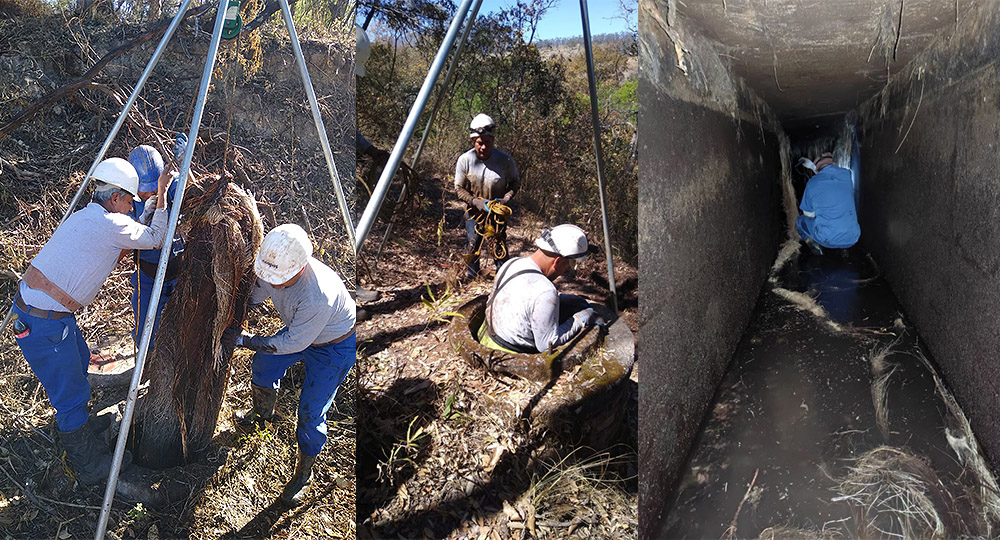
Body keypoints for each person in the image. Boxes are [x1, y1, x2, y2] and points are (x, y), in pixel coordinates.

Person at [10, 157, 170, 484]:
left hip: (45, 314)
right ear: (114, 198)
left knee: (81, 360)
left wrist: (148, 204)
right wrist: (164, 194)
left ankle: (79, 426)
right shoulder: (111, 224)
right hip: (44, 324)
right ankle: (87, 466)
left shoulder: (87, 216)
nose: (130, 208)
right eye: (129, 201)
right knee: (69, 395)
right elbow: (155, 237)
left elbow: (129, 229)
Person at [222, 224, 356, 506]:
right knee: (263, 366)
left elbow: (294, 342)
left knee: (310, 410)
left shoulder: (317, 295)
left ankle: (303, 473)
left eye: (277, 279)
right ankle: (262, 413)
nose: (272, 282)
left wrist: (246, 340)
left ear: (299, 269)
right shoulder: (276, 267)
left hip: (333, 346)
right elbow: (256, 296)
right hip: (299, 333)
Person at [479, 224, 603, 354]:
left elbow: (523, 297)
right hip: (509, 352)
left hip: (488, 336)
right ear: (558, 261)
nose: (567, 270)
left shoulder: (512, 263)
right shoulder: (545, 291)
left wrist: (559, 300)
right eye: (570, 264)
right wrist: (579, 320)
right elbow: (546, 345)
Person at [126, 145, 185, 345]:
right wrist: (141, 219)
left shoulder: (172, 185)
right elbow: (124, 236)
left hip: (179, 273)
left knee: (180, 327)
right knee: (146, 331)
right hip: (148, 277)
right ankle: (145, 364)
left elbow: (195, 196)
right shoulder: (127, 198)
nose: (150, 193)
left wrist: (186, 166)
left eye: (154, 187)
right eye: (145, 191)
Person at [454, 113, 520, 279]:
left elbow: (514, 183)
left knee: (498, 244)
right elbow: (459, 188)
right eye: (479, 143)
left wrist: (505, 199)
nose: (483, 147)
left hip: (496, 213)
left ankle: (503, 277)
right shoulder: (465, 160)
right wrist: (475, 201)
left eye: (487, 143)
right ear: (473, 141)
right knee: (472, 244)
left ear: (493, 141)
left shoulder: (505, 160)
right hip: (474, 213)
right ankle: (471, 276)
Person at [796, 152, 860, 255]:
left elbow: (808, 214)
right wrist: (813, 166)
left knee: (800, 221)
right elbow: (828, 173)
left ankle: (812, 244)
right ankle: (843, 249)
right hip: (852, 238)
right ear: (833, 163)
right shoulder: (846, 175)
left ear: (817, 168)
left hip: (827, 239)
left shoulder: (812, 183)